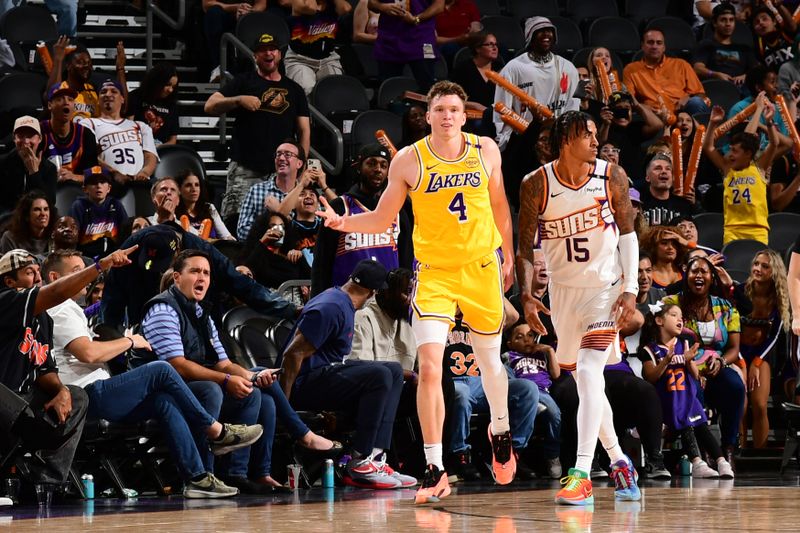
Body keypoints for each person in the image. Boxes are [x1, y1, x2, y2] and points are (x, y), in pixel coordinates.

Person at [316, 81, 516, 503]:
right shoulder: (409, 160)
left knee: (489, 362)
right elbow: (382, 218)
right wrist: (342, 223)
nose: (446, 116)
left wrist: (509, 254)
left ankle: (500, 428)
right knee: (429, 367)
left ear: (465, 116)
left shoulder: (486, 151)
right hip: (435, 274)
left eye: (454, 110)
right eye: (439, 109)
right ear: (428, 116)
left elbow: (499, 204)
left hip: (481, 267)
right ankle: (434, 466)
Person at [42, 249, 264, 498]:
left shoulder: (69, 309)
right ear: (54, 277)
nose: (85, 277)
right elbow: (89, 354)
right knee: (161, 369)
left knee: (164, 401)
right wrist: (130, 341)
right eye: (76, 272)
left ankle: (198, 479)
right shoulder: (61, 307)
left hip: (100, 391)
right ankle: (216, 432)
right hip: (84, 396)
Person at [516, 110, 641, 505]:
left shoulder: (610, 176)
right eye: (585, 134)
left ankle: (582, 472)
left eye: (593, 133)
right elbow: (523, 249)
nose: (594, 140)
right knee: (585, 382)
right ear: (564, 140)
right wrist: (526, 294)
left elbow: (628, 233)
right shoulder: (536, 184)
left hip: (605, 289)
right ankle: (620, 459)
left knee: (589, 371)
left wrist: (631, 287)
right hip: (563, 293)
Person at [140, 249, 337, 493]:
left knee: (257, 393)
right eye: (195, 271)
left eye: (206, 273)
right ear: (177, 277)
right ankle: (205, 475)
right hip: (162, 394)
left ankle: (243, 473)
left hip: (191, 386)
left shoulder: (201, 313)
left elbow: (223, 363)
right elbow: (177, 365)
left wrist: (250, 378)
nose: (202, 278)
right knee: (211, 389)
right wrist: (228, 379)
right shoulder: (163, 310)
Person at [0, 245, 133, 488]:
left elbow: (44, 369)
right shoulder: (6, 301)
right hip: (5, 400)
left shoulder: (43, 319)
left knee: (77, 395)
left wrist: (61, 391)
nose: (38, 278)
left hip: (24, 403)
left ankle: (44, 481)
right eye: (30, 273)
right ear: (9, 281)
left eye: (38, 271)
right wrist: (100, 266)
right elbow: (55, 293)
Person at [278, 259, 415, 489]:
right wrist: (285, 405)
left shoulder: (343, 302)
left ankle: (375, 457)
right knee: (379, 376)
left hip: (324, 376)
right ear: (374, 292)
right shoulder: (331, 307)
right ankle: (359, 459)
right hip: (305, 383)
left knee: (391, 370)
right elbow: (291, 356)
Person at [100, 223, 296, 332]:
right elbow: (111, 299)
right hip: (144, 311)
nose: (157, 271)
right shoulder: (131, 249)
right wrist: (110, 338)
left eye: (162, 266)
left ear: (177, 255)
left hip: (198, 319)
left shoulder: (204, 252)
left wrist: (288, 309)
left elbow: (242, 284)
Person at [204, 33, 311, 226]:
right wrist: (238, 99)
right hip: (246, 166)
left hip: (282, 170)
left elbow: (304, 130)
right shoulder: (243, 82)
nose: (268, 53)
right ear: (255, 56)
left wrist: (301, 165)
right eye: (262, 50)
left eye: (272, 49)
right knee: (237, 221)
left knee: (283, 221)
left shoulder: (294, 89)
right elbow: (210, 105)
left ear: (280, 55)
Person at [662, 256, 746, 463]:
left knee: (735, 387)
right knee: (693, 390)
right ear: (686, 276)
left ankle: (728, 446)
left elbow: (734, 349)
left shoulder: (726, 307)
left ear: (712, 278)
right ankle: (703, 449)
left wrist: (722, 362)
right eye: (694, 271)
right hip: (684, 366)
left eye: (704, 272)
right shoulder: (673, 303)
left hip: (716, 366)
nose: (699, 275)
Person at [638, 302, 734, 478]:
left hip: (687, 397)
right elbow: (650, 376)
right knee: (688, 424)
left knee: (702, 427)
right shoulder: (649, 350)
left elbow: (696, 375)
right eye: (674, 315)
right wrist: (667, 361)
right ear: (659, 320)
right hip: (667, 401)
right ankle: (697, 462)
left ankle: (721, 461)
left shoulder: (685, 344)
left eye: (681, 316)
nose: (680, 319)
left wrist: (689, 360)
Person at [494, 17, 579, 208]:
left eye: (550, 30)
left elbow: (573, 104)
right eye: (540, 31)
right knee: (526, 197)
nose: (546, 34)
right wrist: (503, 140)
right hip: (524, 138)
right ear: (530, 36)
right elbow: (502, 106)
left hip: (557, 139)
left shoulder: (567, 67)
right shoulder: (514, 68)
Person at [311, 143, 412, 296]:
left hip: (388, 301)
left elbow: (407, 258)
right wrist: (318, 300)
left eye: (384, 165)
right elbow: (322, 262)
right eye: (371, 163)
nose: (378, 169)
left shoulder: (398, 208)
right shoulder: (340, 206)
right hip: (346, 298)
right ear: (358, 167)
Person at [731, 249, 790, 448]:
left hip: (760, 356)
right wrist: (739, 360)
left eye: (765, 266)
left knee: (759, 405)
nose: (758, 268)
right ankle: (738, 452)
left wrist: (756, 362)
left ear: (774, 271)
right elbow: (732, 328)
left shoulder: (780, 298)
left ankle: (759, 454)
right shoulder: (740, 291)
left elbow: (773, 337)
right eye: (756, 264)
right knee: (741, 405)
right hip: (737, 353)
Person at [704, 100, 778, 246]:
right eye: (730, 149)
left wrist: (769, 121)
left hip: (758, 230)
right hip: (732, 230)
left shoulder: (759, 167)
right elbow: (708, 147)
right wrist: (712, 123)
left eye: (735, 151)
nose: (730, 154)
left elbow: (774, 143)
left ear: (748, 153)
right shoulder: (727, 168)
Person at [504, 322, 562, 479]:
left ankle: (552, 455)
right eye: (519, 337)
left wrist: (549, 351)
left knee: (554, 414)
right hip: (522, 392)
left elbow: (556, 375)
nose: (526, 340)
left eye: (530, 335)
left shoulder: (542, 354)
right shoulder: (510, 356)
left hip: (543, 392)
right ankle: (516, 455)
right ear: (510, 344)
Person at [80, 80, 159, 191]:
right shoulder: (88, 123)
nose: (108, 94)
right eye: (103, 92)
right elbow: (91, 158)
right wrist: (114, 173)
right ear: (98, 100)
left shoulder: (140, 126)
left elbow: (150, 156)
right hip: (105, 183)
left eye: (114, 91)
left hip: (140, 183)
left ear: (122, 99)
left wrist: (144, 173)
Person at [623, 29, 709, 117]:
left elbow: (700, 94)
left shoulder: (681, 64)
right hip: (654, 114)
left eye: (659, 43)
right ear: (642, 46)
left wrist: (688, 98)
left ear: (664, 47)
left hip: (682, 112)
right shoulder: (631, 69)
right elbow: (628, 99)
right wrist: (642, 106)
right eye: (650, 42)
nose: (654, 46)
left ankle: (700, 130)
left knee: (696, 102)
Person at [236, 141, 306, 241]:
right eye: (278, 154)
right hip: (263, 252)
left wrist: (278, 212)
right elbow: (242, 232)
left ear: (299, 163)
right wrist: (272, 233)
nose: (281, 158)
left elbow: (311, 234)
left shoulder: (306, 195)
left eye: (288, 155)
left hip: (295, 254)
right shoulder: (256, 190)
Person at [369, 0, 444, 92]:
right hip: (390, 39)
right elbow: (371, 3)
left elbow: (439, 6)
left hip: (423, 38)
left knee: (426, 84)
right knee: (389, 87)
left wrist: (416, 18)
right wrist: (383, 7)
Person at [285, 0, 352, 96]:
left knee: (335, 90)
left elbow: (346, 9)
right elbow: (311, 8)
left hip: (328, 59)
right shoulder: (299, 2)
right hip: (300, 59)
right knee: (306, 89)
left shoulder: (332, 5)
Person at [596, 91, 664, 181]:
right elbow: (600, 144)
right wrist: (606, 124)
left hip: (635, 181)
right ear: (610, 112)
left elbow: (657, 125)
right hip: (608, 178)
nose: (623, 112)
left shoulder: (634, 128)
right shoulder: (604, 127)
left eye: (627, 108)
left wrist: (637, 106)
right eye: (618, 109)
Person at [40, 83, 98, 184]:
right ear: (50, 105)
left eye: (70, 99)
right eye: (60, 99)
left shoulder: (85, 134)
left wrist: (75, 177)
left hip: (77, 192)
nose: (66, 102)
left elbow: (95, 174)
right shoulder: (39, 131)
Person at [0, 117, 57, 216]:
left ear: (39, 139)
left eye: (30, 136)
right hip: (6, 218)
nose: (26, 141)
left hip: (37, 219)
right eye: (21, 136)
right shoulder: (2, 163)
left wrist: (34, 173)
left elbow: (49, 204)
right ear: (14, 138)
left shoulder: (49, 168)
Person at [693, 3, 757, 87]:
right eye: (723, 20)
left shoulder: (743, 48)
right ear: (715, 23)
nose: (728, 24)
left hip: (741, 89)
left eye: (731, 20)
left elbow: (757, 70)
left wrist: (746, 76)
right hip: (716, 87)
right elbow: (697, 68)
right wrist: (715, 74)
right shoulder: (706, 45)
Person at [202, 0, 267, 83]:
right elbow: (207, 4)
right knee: (213, 13)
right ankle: (218, 68)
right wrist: (236, 7)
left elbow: (261, 3)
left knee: (269, 17)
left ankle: (256, 70)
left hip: (248, 13)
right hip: (223, 13)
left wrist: (249, 11)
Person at [70, 166, 128, 257]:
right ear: (85, 189)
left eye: (102, 182)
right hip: (86, 259)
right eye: (93, 183)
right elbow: (72, 239)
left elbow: (126, 233)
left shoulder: (116, 205)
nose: (98, 186)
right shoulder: (79, 206)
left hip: (113, 258)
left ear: (109, 188)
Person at [126, 62, 180, 145]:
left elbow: (173, 140)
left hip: (162, 151)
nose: (170, 90)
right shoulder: (136, 96)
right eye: (167, 85)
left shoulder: (172, 104)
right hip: (138, 146)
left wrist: (157, 148)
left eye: (173, 86)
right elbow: (129, 128)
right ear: (157, 81)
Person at [450, 32, 503, 111]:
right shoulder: (463, 68)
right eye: (490, 44)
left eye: (496, 44)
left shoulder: (500, 67)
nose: (495, 48)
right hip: (471, 114)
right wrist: (475, 106)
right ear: (478, 48)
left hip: (494, 114)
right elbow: (451, 98)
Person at [175, 170, 234, 240]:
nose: (194, 189)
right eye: (188, 185)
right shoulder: (174, 211)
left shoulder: (209, 207)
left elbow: (226, 236)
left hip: (213, 249)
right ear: (179, 190)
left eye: (197, 185)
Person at [639, 154, 695, 226]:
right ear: (647, 178)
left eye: (668, 169)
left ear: (672, 177)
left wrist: (695, 205)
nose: (664, 171)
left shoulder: (684, 204)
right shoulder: (638, 202)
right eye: (658, 168)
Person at [0, 192, 55, 257]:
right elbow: (7, 266)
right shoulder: (10, 238)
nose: (43, 214)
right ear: (26, 216)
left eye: (46, 209)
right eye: (37, 209)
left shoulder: (55, 235)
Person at [751, 4, 797, 71]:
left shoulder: (786, 33)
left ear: (774, 22)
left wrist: (779, 5)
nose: (761, 23)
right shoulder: (758, 47)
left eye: (764, 19)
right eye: (756, 22)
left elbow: (792, 25)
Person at [434, 0, 481, 65]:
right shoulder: (432, 8)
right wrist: (457, 39)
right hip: (444, 45)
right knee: (449, 48)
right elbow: (434, 39)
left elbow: (476, 30)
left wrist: (469, 35)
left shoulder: (468, 5)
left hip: (466, 43)